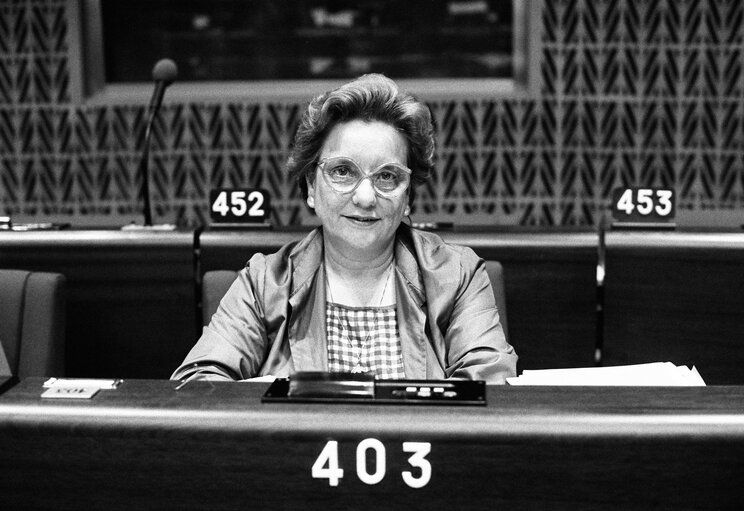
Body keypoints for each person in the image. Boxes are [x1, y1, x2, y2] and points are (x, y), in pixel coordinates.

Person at [172, 73, 517, 383]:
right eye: (342, 172)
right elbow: (200, 385)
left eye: (387, 176)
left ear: (408, 196)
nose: (365, 197)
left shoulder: (456, 274)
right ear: (310, 185)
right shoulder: (265, 283)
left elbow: (489, 391)